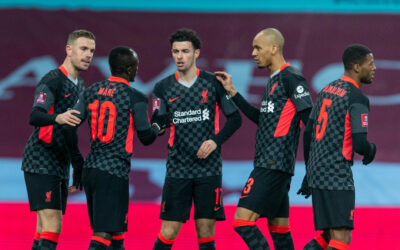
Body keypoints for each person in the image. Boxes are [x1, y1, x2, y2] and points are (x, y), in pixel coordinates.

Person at [215, 28, 313, 249]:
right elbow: (263, 119)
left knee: (242, 221)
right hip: (273, 165)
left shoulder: (292, 78)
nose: (253, 52)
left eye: (257, 47)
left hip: (272, 165)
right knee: (279, 230)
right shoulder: (274, 80)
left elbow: (312, 124)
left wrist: (312, 169)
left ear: (274, 48)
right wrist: (233, 92)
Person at [71, 46, 170, 250]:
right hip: (113, 171)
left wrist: (77, 161)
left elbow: (69, 124)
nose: (137, 71)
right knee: (103, 234)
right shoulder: (136, 97)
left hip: (91, 168)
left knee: (116, 234)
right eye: (136, 67)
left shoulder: (91, 91)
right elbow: (146, 137)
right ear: (130, 68)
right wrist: (158, 126)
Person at [151, 28, 242, 250]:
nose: (179, 56)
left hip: (208, 169)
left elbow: (235, 120)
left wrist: (215, 142)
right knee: (169, 231)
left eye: (185, 51)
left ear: (196, 53)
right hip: (177, 168)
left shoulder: (213, 83)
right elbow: (158, 120)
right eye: (175, 52)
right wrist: (156, 128)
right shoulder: (162, 87)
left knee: (205, 231)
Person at [21, 29, 95, 250]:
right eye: (83, 49)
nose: (88, 54)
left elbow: (70, 128)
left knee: (44, 227)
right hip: (41, 159)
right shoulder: (52, 80)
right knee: (53, 224)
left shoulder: (80, 85)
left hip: (59, 163)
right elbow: (35, 116)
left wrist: (77, 163)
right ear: (68, 49)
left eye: (91, 50)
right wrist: (58, 117)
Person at [298, 44, 377, 250]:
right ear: (357, 67)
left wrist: (309, 173)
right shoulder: (357, 98)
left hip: (317, 172)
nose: (374, 68)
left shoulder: (326, 90)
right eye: (371, 63)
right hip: (336, 174)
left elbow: (308, 134)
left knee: (327, 235)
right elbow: (360, 144)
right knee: (341, 238)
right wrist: (371, 150)